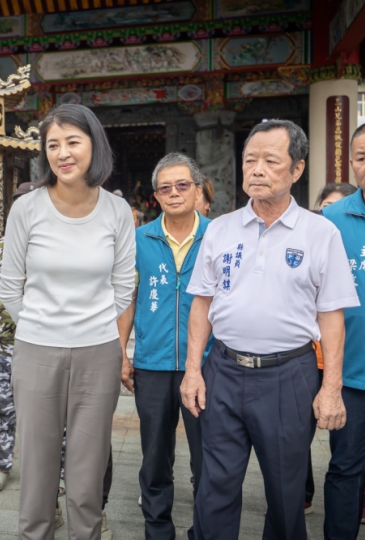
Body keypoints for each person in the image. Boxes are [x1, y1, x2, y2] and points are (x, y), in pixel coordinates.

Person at [180, 119, 358, 540]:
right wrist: (193, 370)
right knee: (215, 485)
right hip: (223, 370)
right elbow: (202, 304)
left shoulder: (321, 232)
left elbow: (332, 315)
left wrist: (331, 388)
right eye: (249, 160)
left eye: (270, 161)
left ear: (296, 169)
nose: (256, 170)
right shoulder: (220, 229)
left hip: (288, 377)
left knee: (284, 490)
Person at [0, 104, 136, 540]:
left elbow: (123, 285)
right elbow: (9, 288)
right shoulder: (27, 209)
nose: (63, 153)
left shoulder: (117, 210)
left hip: (99, 353)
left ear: (94, 145)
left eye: (73, 142)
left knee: (87, 473)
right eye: (53, 144)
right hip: (36, 351)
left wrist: (92, 325)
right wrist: (41, 324)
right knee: (36, 472)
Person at [118, 153, 211, 540]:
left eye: (182, 185)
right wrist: (122, 354)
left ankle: (205, 529)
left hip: (206, 365)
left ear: (197, 190)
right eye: (165, 188)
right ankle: (157, 529)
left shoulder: (218, 237)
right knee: (155, 455)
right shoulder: (139, 240)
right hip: (152, 364)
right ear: (155, 196)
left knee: (209, 457)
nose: (174, 193)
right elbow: (127, 297)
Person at [0, 182, 73, 531]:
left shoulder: (59, 244)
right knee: (0, 406)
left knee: (56, 413)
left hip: (50, 342)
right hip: (7, 342)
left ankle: (59, 471)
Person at [322, 119, 365, 539]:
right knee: (345, 470)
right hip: (353, 374)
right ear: (352, 165)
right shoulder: (330, 221)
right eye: (362, 157)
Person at [302, 181, 359, 516]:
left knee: (346, 435)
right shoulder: (308, 244)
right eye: (326, 208)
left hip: (346, 359)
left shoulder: (359, 250)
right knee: (298, 432)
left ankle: (356, 492)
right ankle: (301, 491)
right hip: (308, 356)